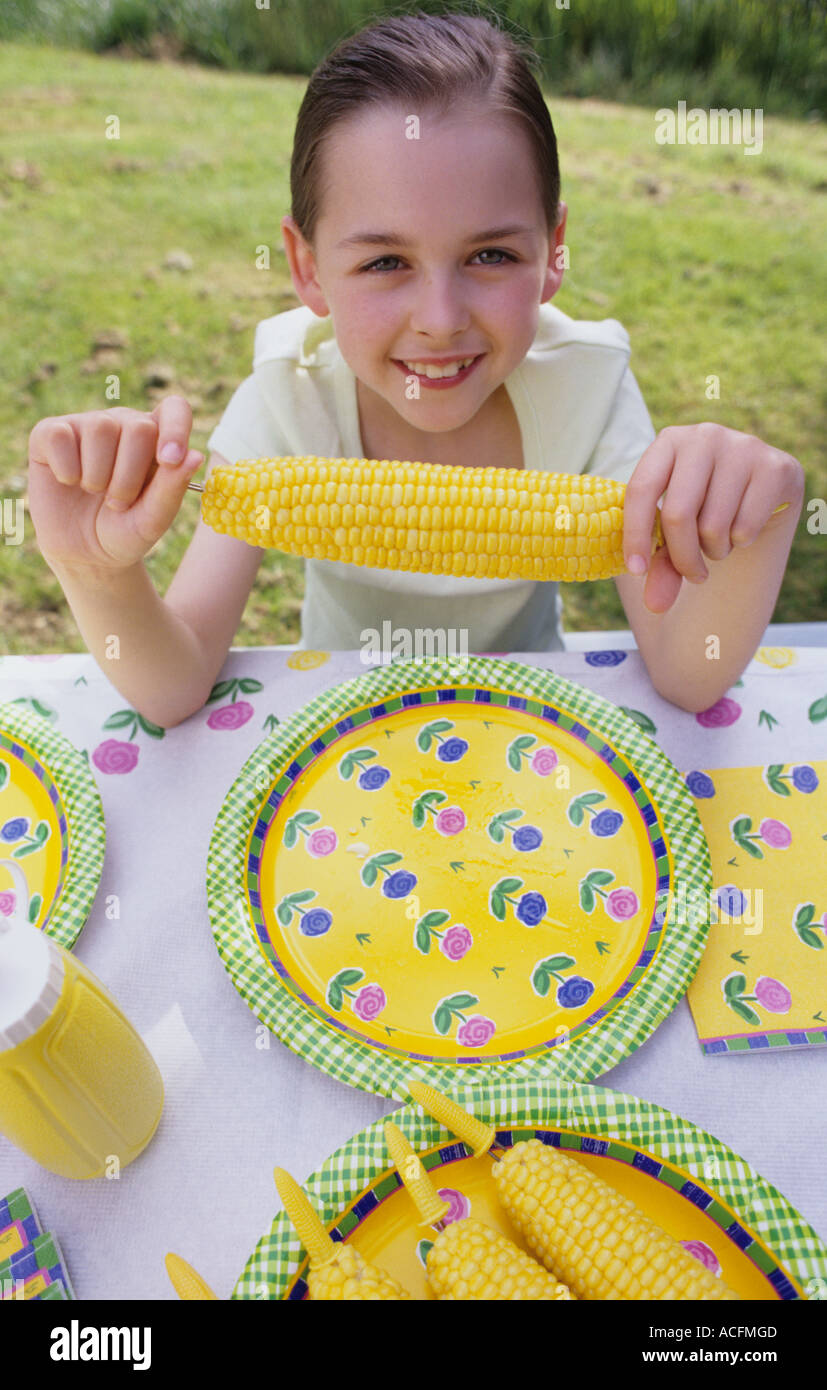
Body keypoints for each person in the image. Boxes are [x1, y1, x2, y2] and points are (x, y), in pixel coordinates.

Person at [27, 9, 804, 727]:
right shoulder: (289, 397)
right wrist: (97, 575)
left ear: (552, 250)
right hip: (338, 731)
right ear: (305, 267)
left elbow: (687, 673)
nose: (439, 318)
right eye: (385, 261)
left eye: (491, 254)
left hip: (527, 728)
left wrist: (757, 523)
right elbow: (174, 685)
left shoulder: (586, 388)